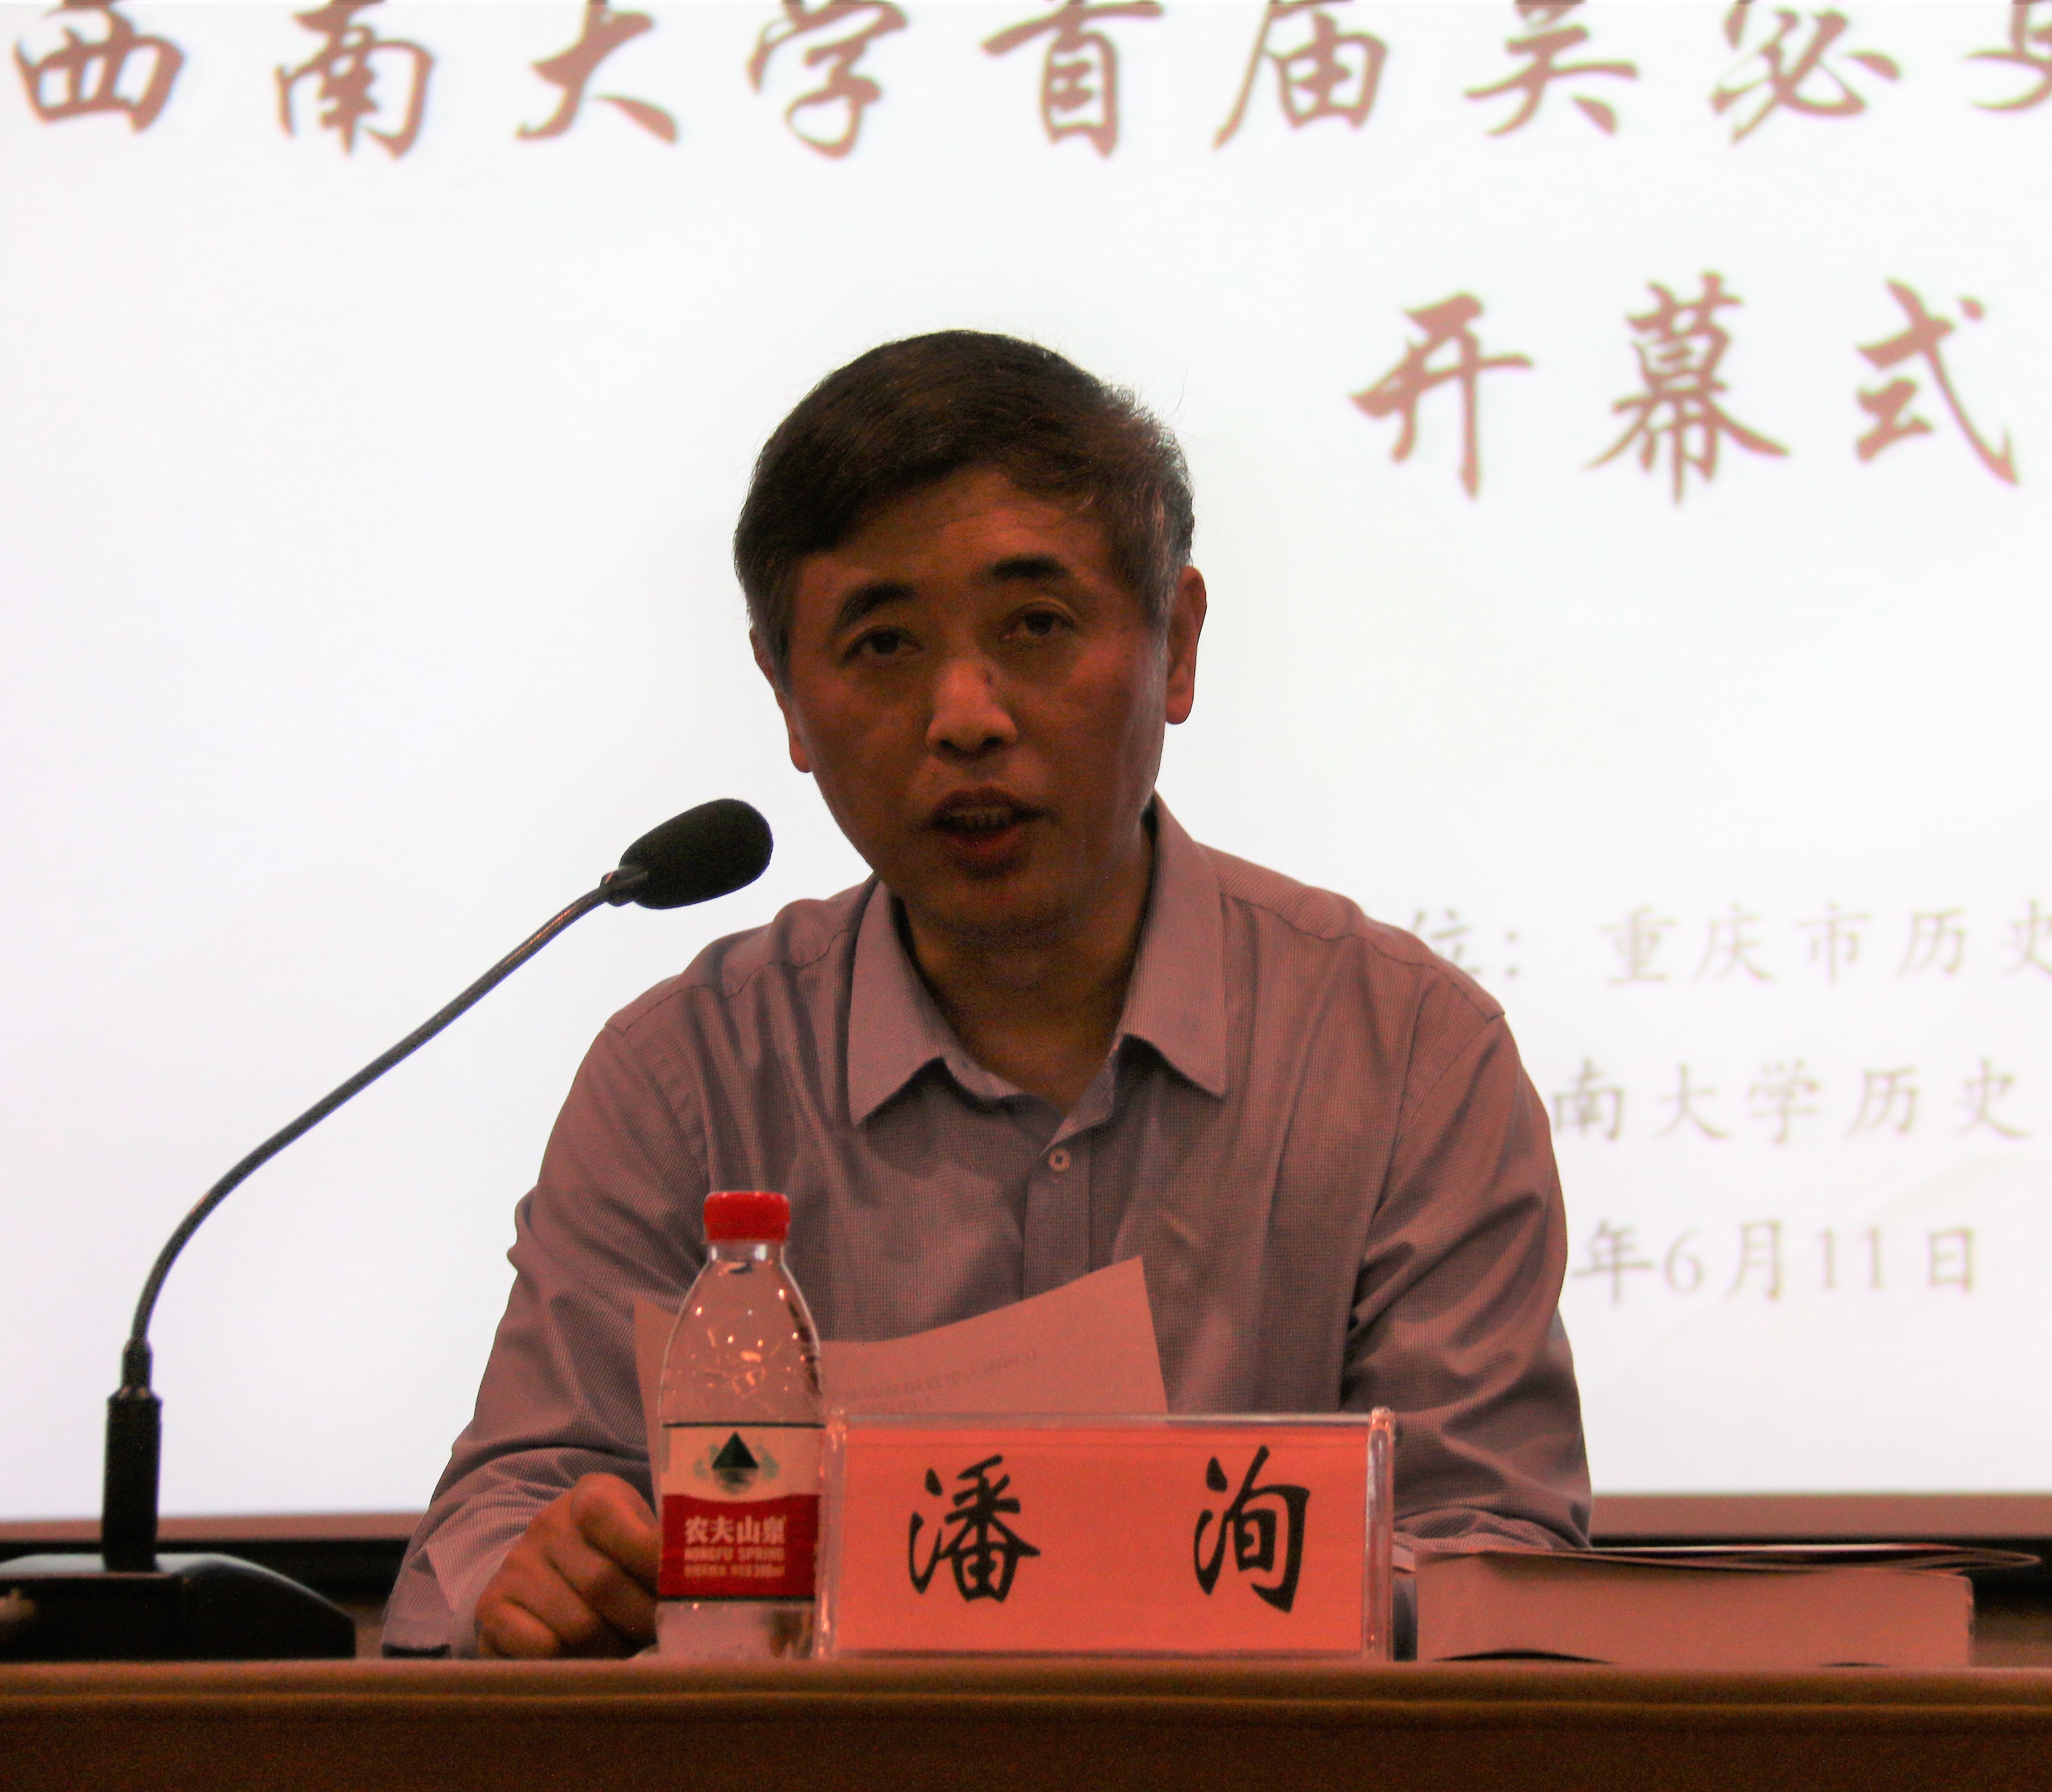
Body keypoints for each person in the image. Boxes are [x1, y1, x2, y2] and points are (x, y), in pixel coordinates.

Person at [380, 332, 1588, 1658]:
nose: (965, 714)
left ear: (1177, 646)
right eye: (884, 643)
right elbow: (497, 1520)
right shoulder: (691, 1074)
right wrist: (533, 1577)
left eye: (1037, 626)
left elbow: (1493, 1556)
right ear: (787, 697)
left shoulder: (1405, 1052)